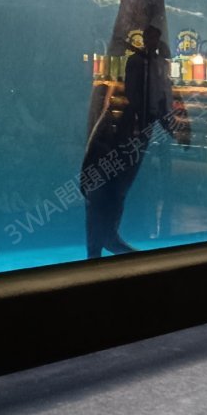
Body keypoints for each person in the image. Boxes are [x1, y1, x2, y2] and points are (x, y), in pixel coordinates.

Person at [81, 25, 172, 259]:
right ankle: (98, 247)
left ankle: (106, 240)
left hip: (130, 141)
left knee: (115, 193)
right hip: (115, 142)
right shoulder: (119, 108)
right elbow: (97, 140)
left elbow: (159, 100)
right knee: (100, 193)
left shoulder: (153, 66)